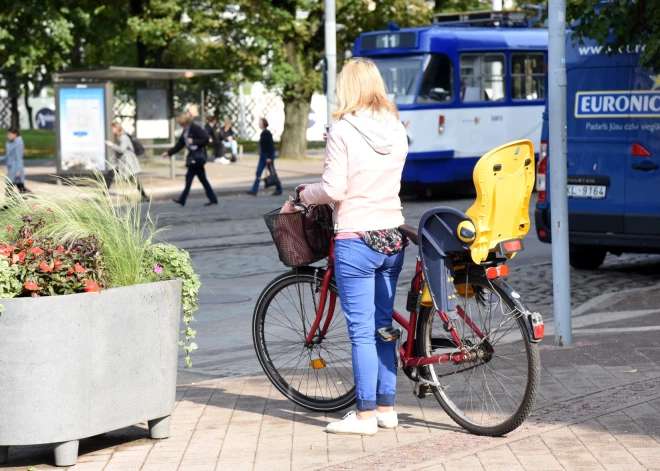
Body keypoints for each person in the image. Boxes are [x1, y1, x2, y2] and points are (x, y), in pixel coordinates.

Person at [299, 58, 408, 436]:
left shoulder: (343, 130)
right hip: (393, 236)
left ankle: (363, 416)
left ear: (347, 88)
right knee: (383, 326)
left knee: (361, 331)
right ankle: (386, 407)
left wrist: (303, 193)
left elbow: (333, 189)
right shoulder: (396, 127)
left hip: (357, 238)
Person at [161, 113, 218, 207]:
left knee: (191, 179)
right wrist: (169, 153)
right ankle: (212, 199)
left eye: (183, 124)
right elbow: (180, 145)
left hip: (197, 157)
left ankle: (183, 199)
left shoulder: (195, 128)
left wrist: (194, 141)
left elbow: (206, 138)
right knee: (200, 180)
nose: (182, 126)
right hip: (193, 158)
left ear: (187, 123)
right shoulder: (186, 131)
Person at [105, 122, 148, 202]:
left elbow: (121, 149)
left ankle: (144, 196)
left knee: (133, 178)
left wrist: (111, 145)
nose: (112, 130)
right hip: (123, 161)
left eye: (113, 128)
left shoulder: (123, 137)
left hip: (127, 162)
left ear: (117, 128)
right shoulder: (120, 136)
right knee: (112, 173)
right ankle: (104, 192)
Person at [248, 118, 282, 196]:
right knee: (258, 172)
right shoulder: (263, 133)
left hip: (267, 155)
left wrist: (269, 157)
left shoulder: (267, 133)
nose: (259, 124)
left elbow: (270, 146)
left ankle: (279, 188)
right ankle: (254, 190)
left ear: (264, 124)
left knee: (272, 173)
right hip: (263, 155)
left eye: (260, 122)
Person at [0, 127, 27, 202]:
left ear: (15, 134)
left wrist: (18, 171)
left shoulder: (19, 143)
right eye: (7, 134)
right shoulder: (9, 143)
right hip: (11, 168)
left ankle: (8, 205)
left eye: (9, 134)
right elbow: (7, 156)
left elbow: (19, 158)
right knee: (20, 187)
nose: (8, 136)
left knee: (9, 187)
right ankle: (27, 199)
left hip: (16, 169)